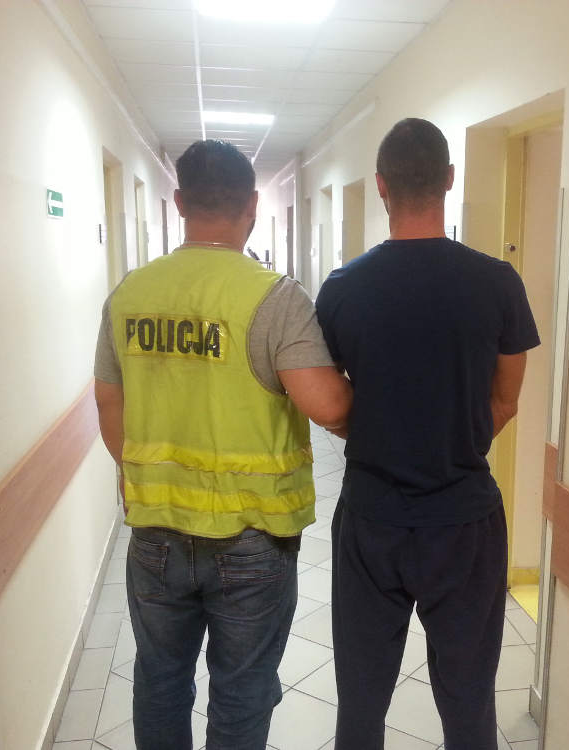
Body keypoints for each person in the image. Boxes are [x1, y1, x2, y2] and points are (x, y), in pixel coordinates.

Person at [94, 139, 353, 750]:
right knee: (240, 690)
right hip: (251, 536)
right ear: (252, 206)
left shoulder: (130, 294)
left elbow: (109, 404)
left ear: (180, 202)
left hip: (156, 532)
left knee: (159, 681)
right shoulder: (275, 297)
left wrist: (146, 478)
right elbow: (329, 407)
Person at [315, 118, 540, 750]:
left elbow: (328, 401)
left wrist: (381, 433)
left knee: (361, 701)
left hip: (372, 520)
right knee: (469, 703)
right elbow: (506, 400)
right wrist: (452, 439)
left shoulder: (343, 288)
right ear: (449, 178)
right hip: (464, 523)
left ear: (381, 186)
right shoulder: (497, 283)